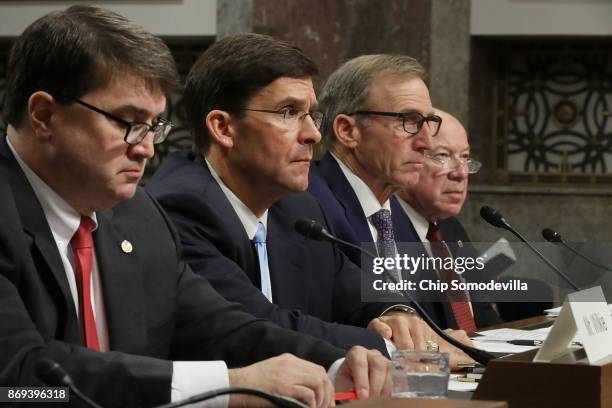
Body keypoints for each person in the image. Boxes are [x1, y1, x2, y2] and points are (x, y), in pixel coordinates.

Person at [0, 6, 389, 407]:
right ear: (44, 115)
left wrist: (332, 365)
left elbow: (220, 326)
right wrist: (228, 384)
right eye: (128, 122)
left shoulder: (138, 217)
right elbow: (20, 379)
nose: (146, 148)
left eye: (154, 125)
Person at [147, 33, 444, 360]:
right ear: (224, 128)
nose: (313, 134)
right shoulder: (180, 207)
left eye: (310, 115)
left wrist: (396, 313)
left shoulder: (297, 208)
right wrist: (391, 346)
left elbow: (355, 292)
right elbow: (258, 327)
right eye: (288, 112)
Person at [307, 54, 474, 364]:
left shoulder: (397, 212)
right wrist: (436, 352)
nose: (426, 142)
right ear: (348, 131)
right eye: (409, 122)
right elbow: (328, 327)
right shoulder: (310, 205)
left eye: (428, 122)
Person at [395, 110, 502, 329]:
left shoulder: (450, 227)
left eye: (465, 157)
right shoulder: (385, 229)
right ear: (410, 159)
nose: (461, 173)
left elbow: (482, 313)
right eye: (443, 156)